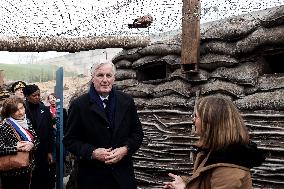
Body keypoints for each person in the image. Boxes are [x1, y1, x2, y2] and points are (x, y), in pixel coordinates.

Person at [63, 61, 144, 189]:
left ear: (114, 79)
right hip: (93, 178)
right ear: (93, 79)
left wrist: (125, 149)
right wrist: (93, 152)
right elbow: (69, 141)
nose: (105, 80)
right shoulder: (79, 105)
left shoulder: (126, 101)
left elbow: (138, 134)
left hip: (122, 177)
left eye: (108, 75)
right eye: (100, 75)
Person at [163, 96, 266, 189]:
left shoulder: (228, 167)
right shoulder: (215, 152)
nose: (193, 119)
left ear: (210, 122)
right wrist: (186, 183)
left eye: (196, 116)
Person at [0, 96, 39, 189]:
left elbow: (36, 139)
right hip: (11, 172)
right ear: (9, 112)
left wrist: (32, 145)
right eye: (16, 110)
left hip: (27, 169)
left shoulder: (27, 121)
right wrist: (16, 147)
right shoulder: (3, 126)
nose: (21, 112)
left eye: (22, 108)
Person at [23, 84, 54, 189]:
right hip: (28, 151)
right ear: (27, 96)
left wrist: (50, 151)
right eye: (34, 95)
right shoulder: (21, 111)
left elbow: (50, 131)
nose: (37, 97)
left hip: (43, 150)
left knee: (43, 178)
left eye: (38, 94)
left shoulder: (44, 110)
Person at [46, 93, 68, 189]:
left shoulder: (63, 110)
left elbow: (66, 124)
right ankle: (51, 180)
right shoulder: (46, 111)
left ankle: (61, 177)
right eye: (50, 98)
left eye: (54, 98)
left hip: (61, 138)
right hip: (51, 139)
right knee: (52, 160)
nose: (52, 100)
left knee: (61, 158)